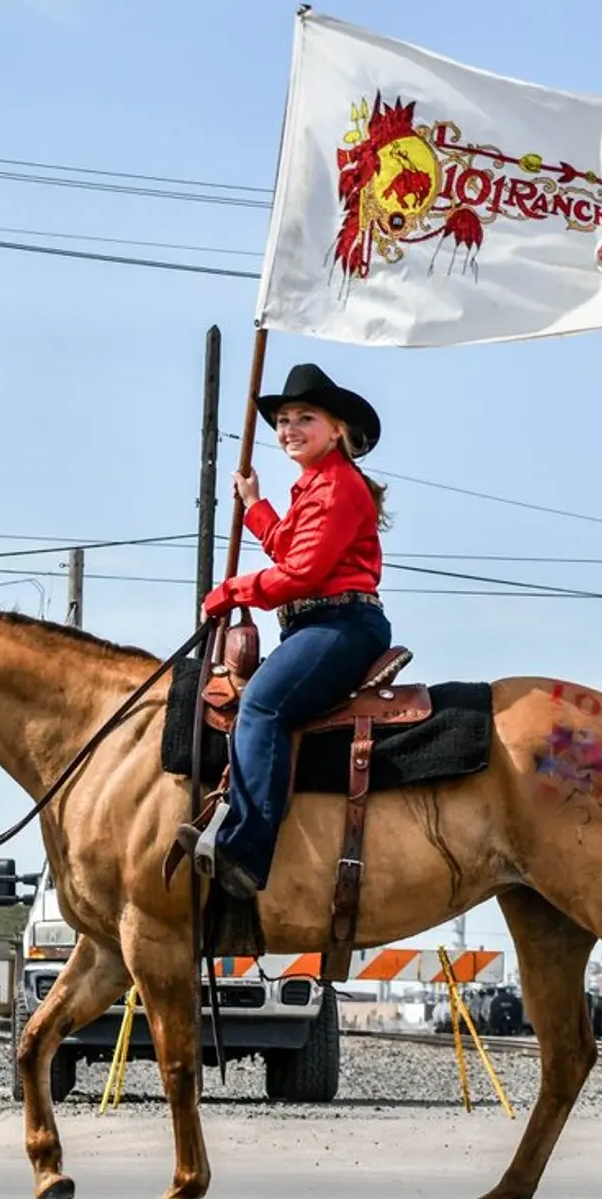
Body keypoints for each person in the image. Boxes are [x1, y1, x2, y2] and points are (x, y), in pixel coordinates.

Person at [180, 363, 392, 900]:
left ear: (337, 429)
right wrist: (255, 505)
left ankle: (245, 852)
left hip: (342, 622)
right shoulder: (315, 486)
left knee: (263, 708)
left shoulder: (338, 487)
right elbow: (288, 548)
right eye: (283, 420)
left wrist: (228, 592)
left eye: (304, 418)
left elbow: (300, 575)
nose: (289, 428)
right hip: (318, 622)